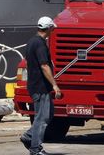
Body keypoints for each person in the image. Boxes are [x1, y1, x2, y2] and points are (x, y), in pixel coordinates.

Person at [20, 16, 62, 155]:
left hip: (35, 85)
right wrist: (55, 85)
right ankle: (35, 148)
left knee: (48, 115)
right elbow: (44, 65)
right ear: (49, 28)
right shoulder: (40, 44)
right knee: (42, 118)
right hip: (40, 86)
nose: (53, 31)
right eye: (52, 28)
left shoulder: (32, 42)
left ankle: (29, 136)